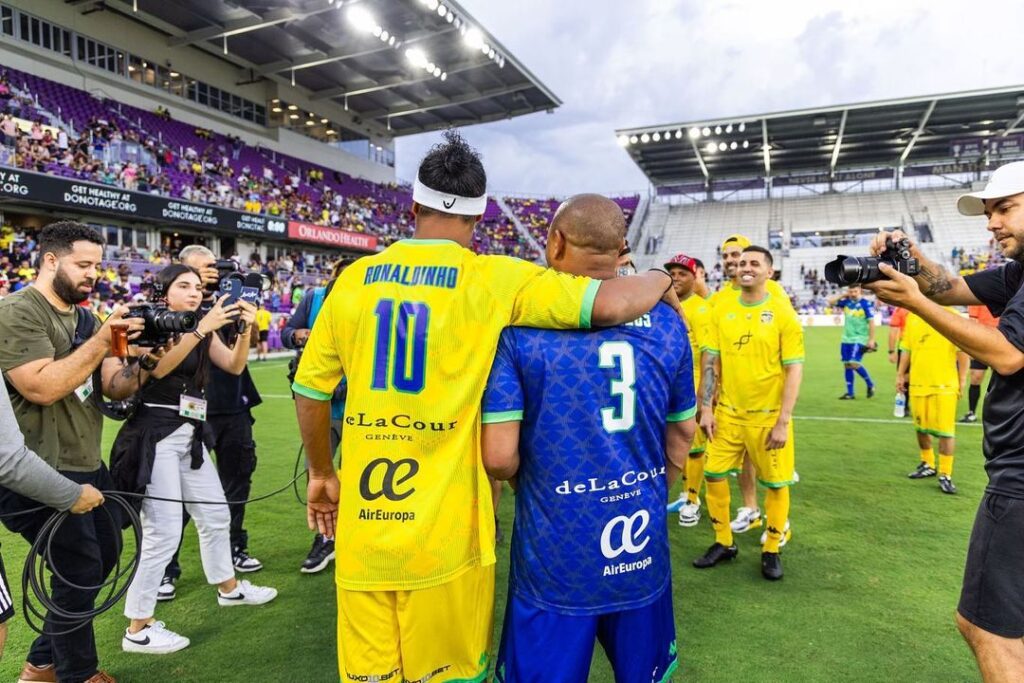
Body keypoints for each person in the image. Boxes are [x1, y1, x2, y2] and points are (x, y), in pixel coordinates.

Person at [292, 130, 681, 683]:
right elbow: (615, 301)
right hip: (448, 533)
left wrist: (322, 473)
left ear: (416, 202)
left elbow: (310, 391)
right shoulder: (495, 278)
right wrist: (665, 274)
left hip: (366, 528)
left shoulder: (352, 280)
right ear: (479, 214)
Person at [480, 195, 696, 682]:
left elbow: (498, 458)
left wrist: (525, 483)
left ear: (555, 242)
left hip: (555, 555)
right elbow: (682, 432)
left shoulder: (520, 327)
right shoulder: (668, 321)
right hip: (639, 543)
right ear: (622, 248)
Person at [864, 160, 1024, 681]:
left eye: (1005, 209)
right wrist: (909, 262)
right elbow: (949, 286)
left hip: (1020, 478)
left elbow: (1006, 354)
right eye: (989, 212)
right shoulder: (1020, 271)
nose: (992, 223)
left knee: (988, 628)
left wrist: (913, 304)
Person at [0, 221, 156, 683]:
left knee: (104, 555)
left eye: (97, 266)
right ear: (51, 260)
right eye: (83, 264)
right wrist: (103, 340)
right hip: (35, 467)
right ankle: (75, 673)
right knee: (79, 565)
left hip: (87, 459)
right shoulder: (16, 311)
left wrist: (144, 359)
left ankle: (43, 661)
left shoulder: (87, 318)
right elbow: (41, 387)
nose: (93, 274)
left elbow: (112, 386)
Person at [111, 265, 276, 654]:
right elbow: (157, 369)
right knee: (163, 531)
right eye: (184, 286)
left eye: (199, 287)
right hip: (154, 434)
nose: (194, 293)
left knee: (216, 515)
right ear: (164, 292)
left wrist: (246, 328)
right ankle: (138, 627)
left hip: (190, 433)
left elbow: (234, 366)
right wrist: (201, 329)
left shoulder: (202, 324)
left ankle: (229, 588)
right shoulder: (147, 323)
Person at [159, 246, 264, 602]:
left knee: (234, 485)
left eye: (216, 268)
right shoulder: (173, 312)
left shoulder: (228, 301)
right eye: (204, 268)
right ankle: (166, 569)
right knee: (176, 499)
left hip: (233, 405)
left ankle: (235, 550)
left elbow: (235, 360)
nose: (212, 274)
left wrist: (245, 321)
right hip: (187, 414)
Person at [694, 246, 804, 580]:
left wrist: (783, 420)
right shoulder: (721, 309)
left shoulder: (782, 313)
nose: (745, 267)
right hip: (727, 415)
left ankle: (772, 548)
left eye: (754, 263)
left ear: (769, 272)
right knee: (712, 474)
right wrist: (706, 408)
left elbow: (794, 369)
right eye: (742, 263)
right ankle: (724, 542)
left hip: (768, 417)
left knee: (775, 483)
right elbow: (711, 361)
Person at [0, 374, 106, 660]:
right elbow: (7, 459)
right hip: (42, 477)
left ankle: (44, 663)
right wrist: (71, 495)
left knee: (95, 558)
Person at [708, 234, 794, 537]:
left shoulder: (773, 293)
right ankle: (751, 509)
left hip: (767, 403)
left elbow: (785, 351)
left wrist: (784, 415)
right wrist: (710, 400)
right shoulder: (718, 300)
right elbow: (713, 354)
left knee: (763, 466)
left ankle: (777, 522)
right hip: (730, 403)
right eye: (728, 256)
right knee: (735, 462)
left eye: (739, 255)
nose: (733, 261)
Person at [282, 260, 348, 574]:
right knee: (318, 470)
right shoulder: (314, 298)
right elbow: (287, 333)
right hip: (324, 404)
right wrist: (301, 336)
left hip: (363, 405)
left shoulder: (378, 301)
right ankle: (326, 537)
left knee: (361, 474)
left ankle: (355, 538)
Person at [663, 253, 711, 526]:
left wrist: (704, 398)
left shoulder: (702, 309)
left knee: (694, 447)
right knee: (674, 444)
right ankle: (684, 493)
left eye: (683, 273)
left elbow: (709, 356)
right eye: (673, 273)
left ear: (695, 277)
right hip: (669, 388)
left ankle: (692, 499)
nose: (677, 278)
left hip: (691, 389)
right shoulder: (666, 308)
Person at [897, 311, 968, 493]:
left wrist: (962, 379)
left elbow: (962, 351)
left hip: (944, 385)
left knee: (946, 431)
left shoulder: (952, 316)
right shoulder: (913, 316)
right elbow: (906, 348)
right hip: (918, 383)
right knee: (920, 428)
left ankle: (945, 473)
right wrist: (900, 375)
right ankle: (927, 463)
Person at [828, 285, 877, 399]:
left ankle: (870, 384)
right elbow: (830, 302)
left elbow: (871, 322)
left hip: (860, 338)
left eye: (855, 291)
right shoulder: (846, 302)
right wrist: (843, 295)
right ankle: (850, 393)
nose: (853, 293)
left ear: (860, 291)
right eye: (851, 291)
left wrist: (871, 339)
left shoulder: (866, 304)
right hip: (846, 338)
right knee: (847, 365)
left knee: (853, 362)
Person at [961, 304, 999, 423]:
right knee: (975, 377)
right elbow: (972, 321)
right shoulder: (979, 296)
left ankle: (997, 414)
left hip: (1000, 340)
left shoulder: (1005, 293)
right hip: (981, 341)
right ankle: (971, 412)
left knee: (999, 380)